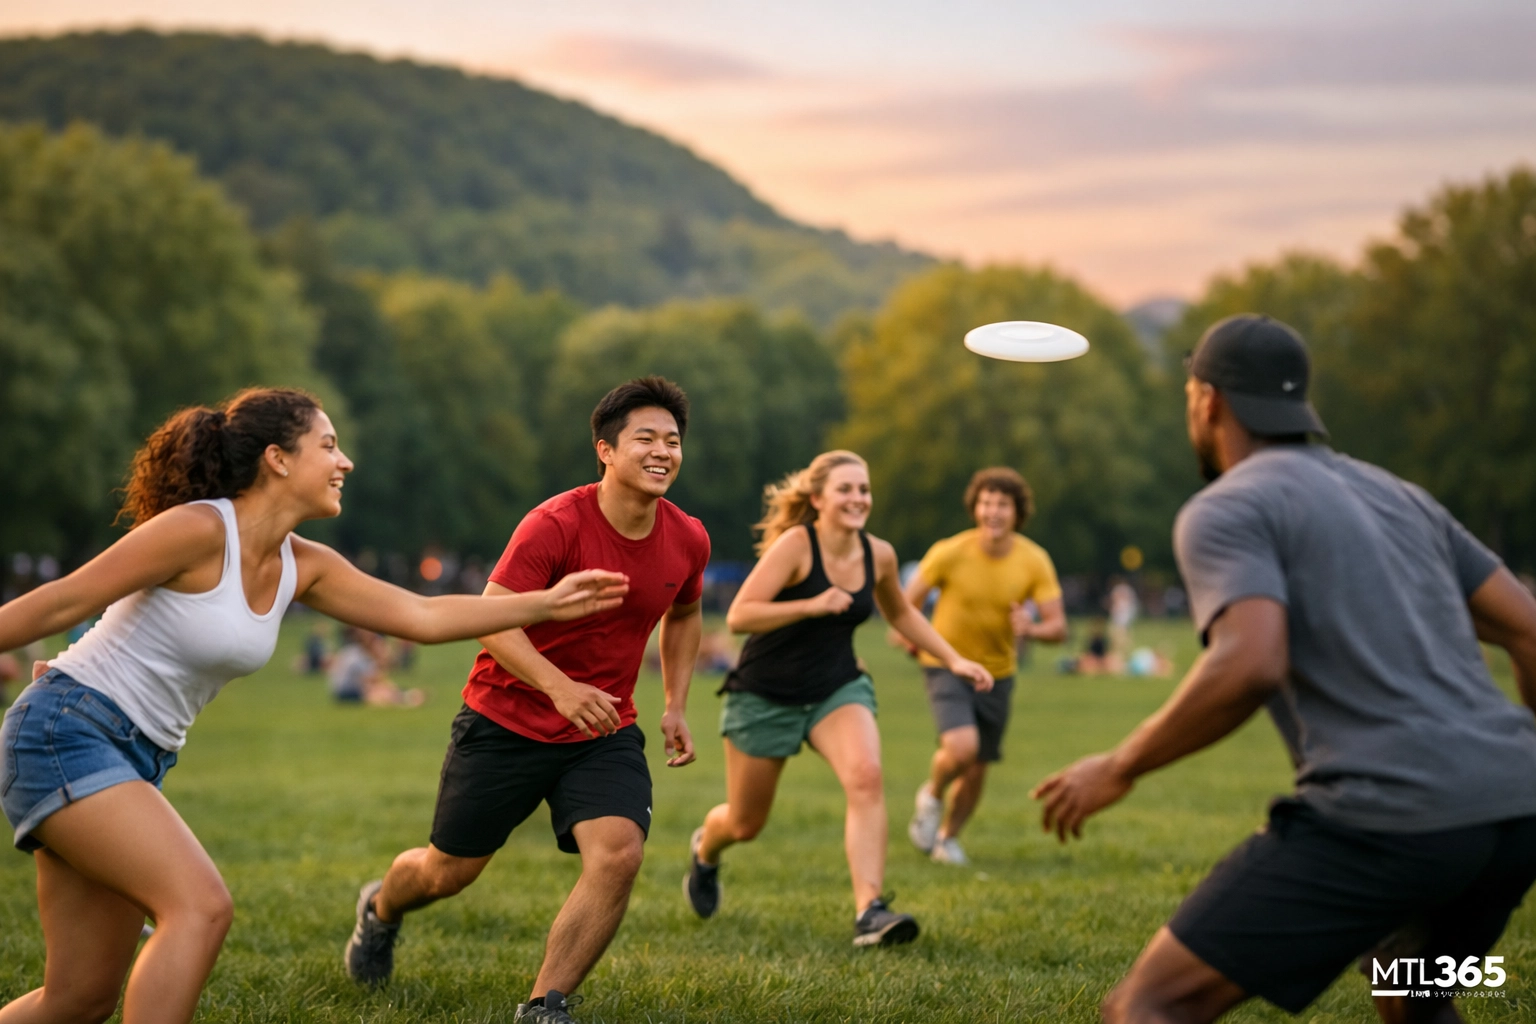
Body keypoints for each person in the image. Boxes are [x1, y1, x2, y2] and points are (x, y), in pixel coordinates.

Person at [0, 387, 628, 1024]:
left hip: (133, 757)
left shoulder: (303, 565)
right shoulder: (197, 529)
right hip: (69, 729)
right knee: (200, 907)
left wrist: (544, 603)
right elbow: (60, 602)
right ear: (277, 458)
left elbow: (422, 614)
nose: (345, 461)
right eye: (328, 446)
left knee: (78, 999)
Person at [1031, 314, 1536, 1024]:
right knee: (1411, 988)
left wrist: (1121, 765)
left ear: (1207, 401)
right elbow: (1530, 631)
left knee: (1147, 1007)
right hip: (1513, 824)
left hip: (1387, 823)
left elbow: (1250, 662)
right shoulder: (1402, 498)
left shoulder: (1229, 507)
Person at [347, 377, 709, 1024]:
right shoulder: (555, 524)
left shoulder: (687, 538)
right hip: (505, 718)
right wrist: (558, 687)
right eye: (645, 439)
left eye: (673, 441)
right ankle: (380, 910)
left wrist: (675, 701)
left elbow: (684, 613)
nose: (663, 452)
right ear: (605, 450)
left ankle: (545, 1005)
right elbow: (490, 617)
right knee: (447, 872)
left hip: (602, 727)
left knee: (620, 853)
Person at [681, 451, 992, 945]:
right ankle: (706, 852)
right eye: (845, 489)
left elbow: (903, 615)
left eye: (863, 489)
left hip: (836, 687)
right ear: (818, 499)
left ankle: (870, 909)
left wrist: (951, 659)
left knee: (866, 777)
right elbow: (740, 616)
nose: (857, 498)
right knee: (744, 822)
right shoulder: (795, 547)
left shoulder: (880, 555)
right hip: (766, 692)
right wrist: (812, 604)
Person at [901, 467, 1066, 866]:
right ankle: (932, 795)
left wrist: (1032, 628)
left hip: (998, 672)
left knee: (977, 769)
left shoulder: (1034, 560)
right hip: (946, 663)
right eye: (986, 503)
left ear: (1017, 512)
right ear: (975, 508)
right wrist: (912, 635)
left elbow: (1059, 627)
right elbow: (905, 600)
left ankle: (947, 839)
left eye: (1003, 504)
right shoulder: (949, 552)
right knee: (961, 748)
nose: (993, 511)